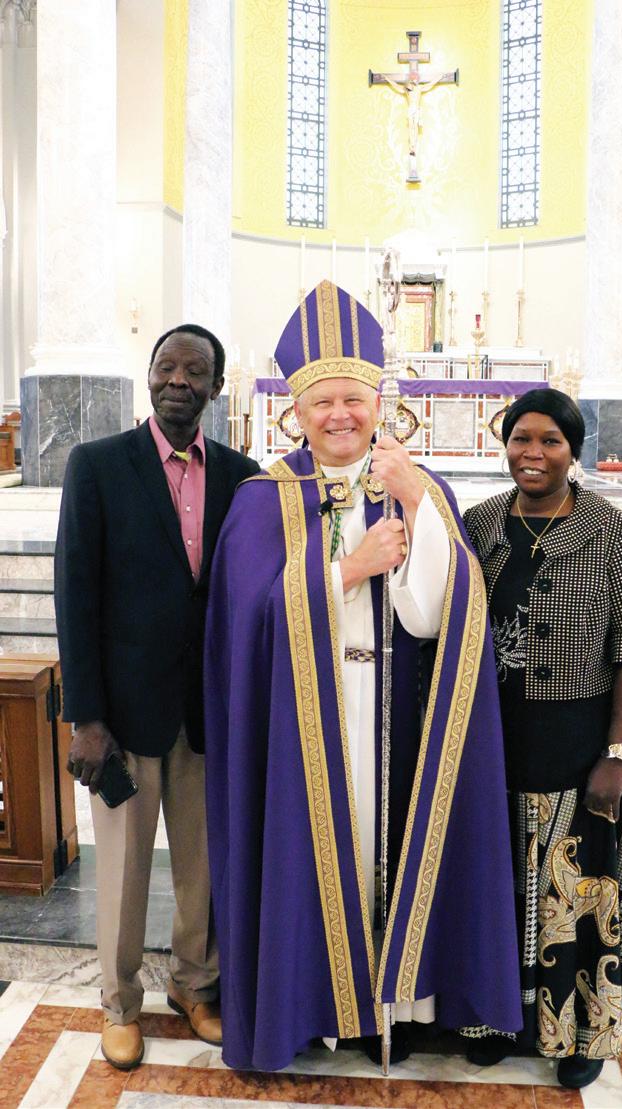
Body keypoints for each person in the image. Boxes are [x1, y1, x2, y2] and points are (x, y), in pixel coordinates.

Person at [204, 280, 521, 1072]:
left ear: (381, 402)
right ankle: (316, 1006)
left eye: (354, 399)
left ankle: (394, 1006)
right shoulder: (261, 499)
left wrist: (418, 510)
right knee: (312, 855)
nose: (340, 415)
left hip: (399, 711)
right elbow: (246, 625)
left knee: (391, 853)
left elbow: (443, 615)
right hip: (303, 721)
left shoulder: (418, 484)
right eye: (323, 402)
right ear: (296, 411)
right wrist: (348, 569)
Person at [54, 324, 259, 1070]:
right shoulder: (98, 465)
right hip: (124, 713)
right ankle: (118, 1002)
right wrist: (86, 716)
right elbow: (75, 595)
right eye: (166, 366)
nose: (179, 379)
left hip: (208, 710)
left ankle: (194, 987)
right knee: (124, 869)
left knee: (203, 867)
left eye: (194, 370)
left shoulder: (242, 476)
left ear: (216, 387)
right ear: (148, 376)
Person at [462, 388, 622, 1090]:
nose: (533, 453)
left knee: (577, 894)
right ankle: (498, 1019)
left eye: (550, 440)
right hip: (494, 738)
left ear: (572, 451)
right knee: (500, 885)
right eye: (521, 438)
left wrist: (617, 754)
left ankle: (579, 1031)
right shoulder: (482, 523)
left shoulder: (613, 531)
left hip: (578, 741)